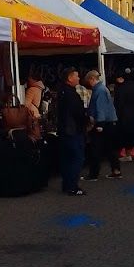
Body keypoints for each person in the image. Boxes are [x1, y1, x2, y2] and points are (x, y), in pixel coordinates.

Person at [83, 69, 121, 180]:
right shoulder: (102, 89)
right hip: (110, 122)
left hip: (103, 123)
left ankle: (93, 174)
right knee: (110, 148)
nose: (87, 83)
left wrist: (100, 124)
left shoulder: (99, 90)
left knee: (95, 149)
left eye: (88, 81)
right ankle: (116, 170)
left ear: (92, 79)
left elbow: (100, 108)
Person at [57, 66, 88, 195]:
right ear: (70, 78)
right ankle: (72, 186)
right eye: (76, 76)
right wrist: (86, 120)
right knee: (76, 158)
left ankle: (67, 185)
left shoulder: (62, 92)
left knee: (67, 159)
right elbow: (77, 112)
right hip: (73, 130)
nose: (79, 78)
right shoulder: (71, 94)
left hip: (65, 130)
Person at [114, 69, 134, 161]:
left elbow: (118, 104)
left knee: (126, 136)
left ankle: (128, 155)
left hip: (125, 115)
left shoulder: (120, 88)